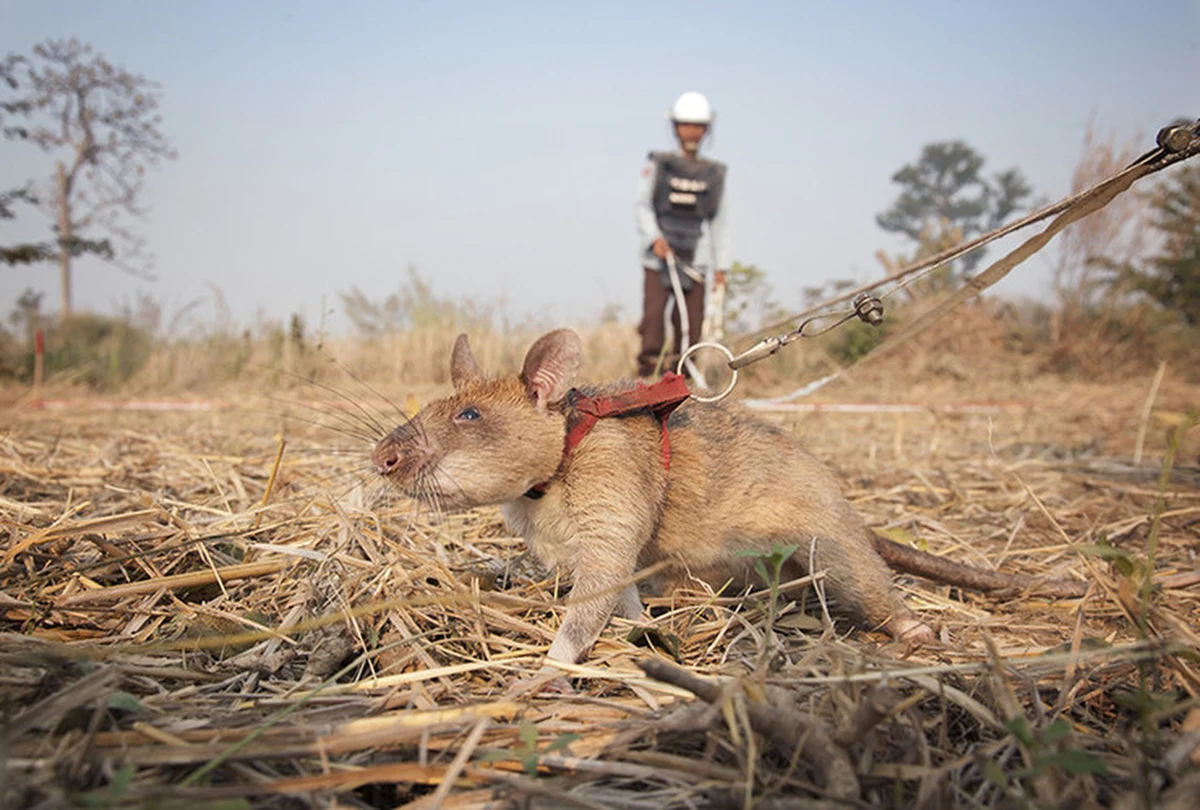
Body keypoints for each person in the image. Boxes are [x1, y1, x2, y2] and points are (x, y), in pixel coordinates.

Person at [634, 90, 730, 379]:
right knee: (653, 321)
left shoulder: (713, 173)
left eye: (697, 126)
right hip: (658, 259)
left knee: (690, 324)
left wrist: (721, 266)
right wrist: (654, 238)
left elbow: (719, 221)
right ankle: (648, 380)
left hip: (695, 260)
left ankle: (683, 382)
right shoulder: (659, 165)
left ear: (706, 130)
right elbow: (642, 205)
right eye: (685, 125)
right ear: (675, 127)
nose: (691, 131)